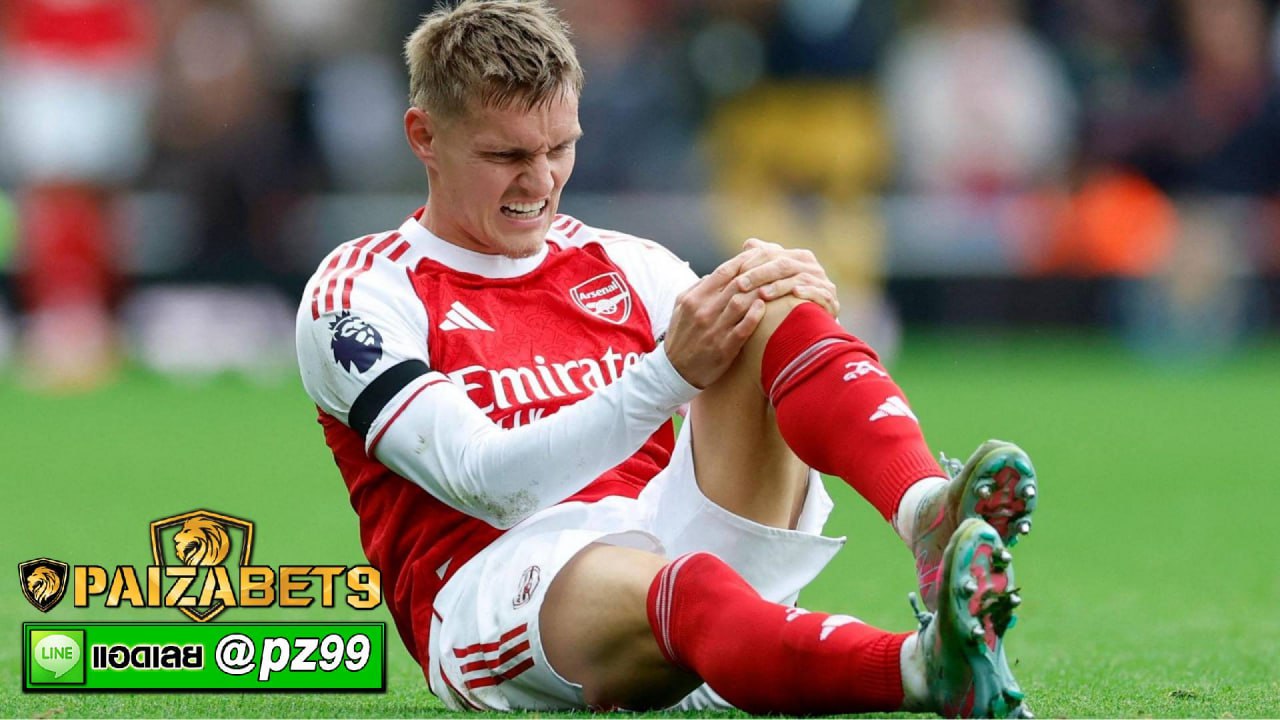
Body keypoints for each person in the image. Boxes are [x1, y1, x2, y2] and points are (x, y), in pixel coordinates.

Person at [295, 1, 1038, 716]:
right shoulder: (361, 292)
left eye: (560, 148)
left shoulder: (623, 261)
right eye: (506, 155)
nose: (541, 181)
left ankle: (926, 511)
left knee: (762, 298)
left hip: (666, 536)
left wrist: (799, 306)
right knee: (690, 583)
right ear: (424, 136)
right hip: (498, 585)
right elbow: (483, 481)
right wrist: (666, 376)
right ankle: (924, 668)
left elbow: (753, 356)